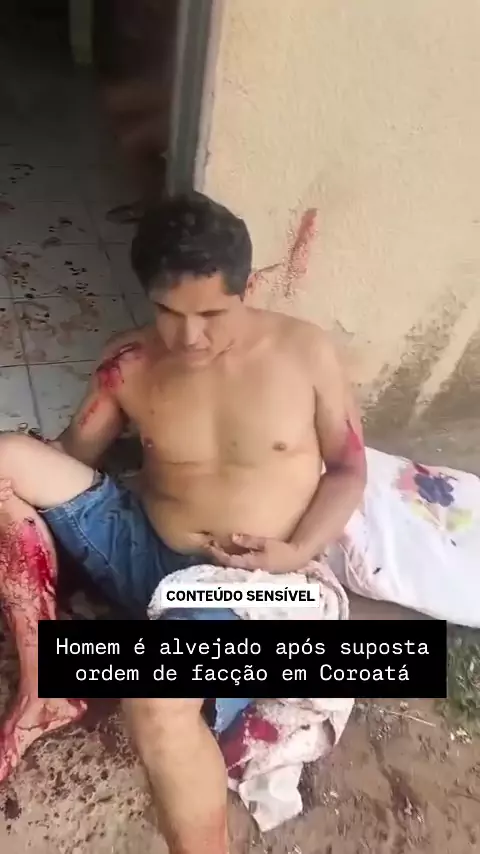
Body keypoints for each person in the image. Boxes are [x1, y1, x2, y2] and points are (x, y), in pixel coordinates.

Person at [0, 193, 366, 854]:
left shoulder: (305, 355)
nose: (189, 337)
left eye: (211, 314)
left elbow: (347, 470)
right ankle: (43, 686)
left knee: (154, 696)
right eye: (169, 312)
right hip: (143, 549)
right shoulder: (129, 364)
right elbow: (71, 458)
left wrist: (296, 551)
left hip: (246, 587)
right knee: (6, 460)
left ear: (247, 290)